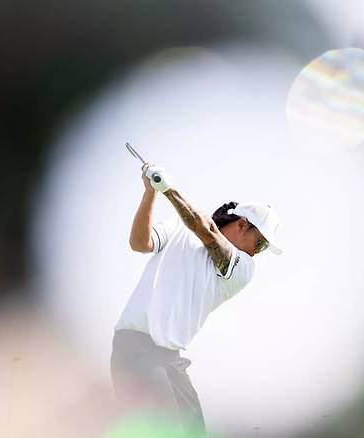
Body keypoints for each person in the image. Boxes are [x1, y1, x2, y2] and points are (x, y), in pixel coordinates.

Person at [111, 162, 283, 434]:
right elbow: (140, 243)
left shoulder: (244, 267)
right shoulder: (178, 229)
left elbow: (207, 231)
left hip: (169, 358)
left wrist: (169, 190)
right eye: (260, 243)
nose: (258, 251)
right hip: (136, 349)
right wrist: (151, 193)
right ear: (241, 225)